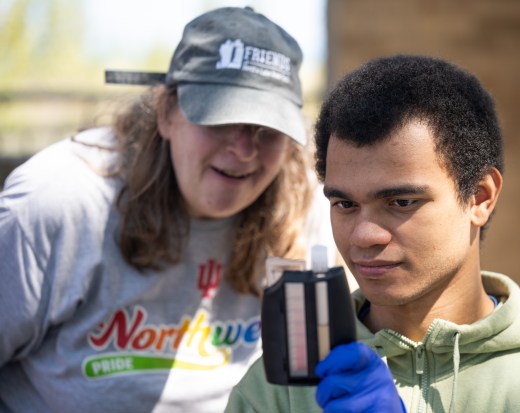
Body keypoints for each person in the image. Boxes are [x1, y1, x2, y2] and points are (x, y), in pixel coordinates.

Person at [225, 55, 520, 412]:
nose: (363, 235)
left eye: (401, 202)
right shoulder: (279, 392)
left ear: (480, 197)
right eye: (345, 204)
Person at [0, 7, 336, 413]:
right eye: (221, 118)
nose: (245, 150)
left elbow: (305, 378)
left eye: (268, 130)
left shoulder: (304, 207)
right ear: (166, 113)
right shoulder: (59, 204)